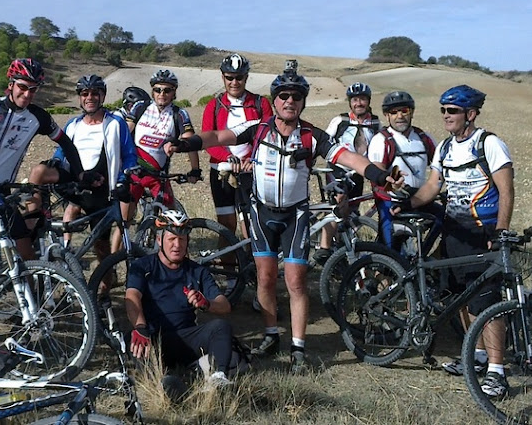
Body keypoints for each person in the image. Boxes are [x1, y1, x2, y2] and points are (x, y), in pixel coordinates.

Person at [166, 72, 397, 372]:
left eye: (296, 97)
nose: (290, 101)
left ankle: (298, 347)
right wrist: (188, 144)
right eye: (284, 96)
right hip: (263, 213)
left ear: (302, 102)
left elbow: (349, 158)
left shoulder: (312, 136)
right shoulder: (258, 129)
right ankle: (271, 333)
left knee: (296, 282)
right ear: (274, 101)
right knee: (264, 278)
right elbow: (219, 136)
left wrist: (379, 175)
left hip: (295, 215)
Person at [0, 58, 84, 350]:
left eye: (33, 90)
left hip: (2, 194)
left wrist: (82, 174)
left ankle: (31, 313)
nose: (28, 94)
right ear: (10, 85)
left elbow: (67, 143)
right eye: (23, 88)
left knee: (25, 253)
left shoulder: (37, 117)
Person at [393, 85, 513, 398]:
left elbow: (506, 190)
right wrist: (409, 203)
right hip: (453, 232)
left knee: (487, 301)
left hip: (482, 234)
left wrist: (500, 232)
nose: (447, 115)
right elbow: (433, 185)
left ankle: (497, 372)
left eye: (454, 111)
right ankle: (477, 356)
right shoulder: (445, 148)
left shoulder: (489, 144)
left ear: (470, 114)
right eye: (444, 110)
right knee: (458, 296)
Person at [29, 74, 137, 278]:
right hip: (76, 188)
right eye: (85, 93)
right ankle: (35, 223)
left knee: (102, 248)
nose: (90, 97)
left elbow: (129, 156)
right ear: (79, 97)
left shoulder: (116, 124)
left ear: (102, 96)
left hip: (102, 192)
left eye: (95, 93)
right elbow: (62, 151)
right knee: (40, 172)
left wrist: (124, 180)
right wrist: (56, 161)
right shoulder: (72, 125)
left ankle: (104, 292)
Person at [125, 210, 235, 386]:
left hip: (187, 338)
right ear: (159, 240)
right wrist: (140, 327)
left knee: (221, 328)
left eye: (182, 240)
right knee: (132, 339)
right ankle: (163, 383)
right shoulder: (142, 266)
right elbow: (132, 297)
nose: (177, 245)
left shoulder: (197, 271)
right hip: (154, 338)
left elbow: (224, 305)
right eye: (171, 239)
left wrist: (206, 303)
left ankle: (217, 379)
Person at [202, 53, 272, 247]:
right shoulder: (213, 106)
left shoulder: (261, 103)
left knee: (252, 226)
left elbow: (266, 138)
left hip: (251, 171)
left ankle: (254, 272)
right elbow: (208, 140)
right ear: (223, 77)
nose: (234, 82)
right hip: (222, 172)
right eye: (229, 77)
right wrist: (227, 157)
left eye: (239, 77)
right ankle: (232, 276)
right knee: (226, 226)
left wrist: (250, 159)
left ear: (246, 77)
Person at [124, 69, 200, 230]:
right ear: (152, 91)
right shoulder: (140, 107)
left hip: (159, 174)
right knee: (124, 222)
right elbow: (123, 134)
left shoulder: (179, 114)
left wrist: (195, 170)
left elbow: (190, 143)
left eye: (167, 90)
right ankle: (117, 254)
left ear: (174, 92)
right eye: (158, 89)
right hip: (135, 170)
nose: (162, 94)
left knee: (171, 218)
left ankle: (170, 252)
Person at [367, 91, 443, 252]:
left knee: (445, 218)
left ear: (412, 112)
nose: (399, 116)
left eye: (404, 111)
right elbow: (377, 171)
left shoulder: (423, 138)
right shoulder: (381, 140)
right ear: (387, 116)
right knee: (390, 249)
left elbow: (440, 166)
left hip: (418, 198)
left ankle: (426, 258)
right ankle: (380, 273)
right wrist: (392, 183)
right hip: (390, 200)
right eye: (393, 112)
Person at [315, 82, 380, 263]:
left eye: (362, 99)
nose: (359, 103)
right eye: (355, 100)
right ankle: (324, 248)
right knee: (338, 204)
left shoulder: (375, 123)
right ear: (350, 102)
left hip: (359, 172)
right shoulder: (341, 121)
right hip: (339, 169)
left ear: (368, 101)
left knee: (351, 212)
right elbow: (323, 142)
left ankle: (342, 247)